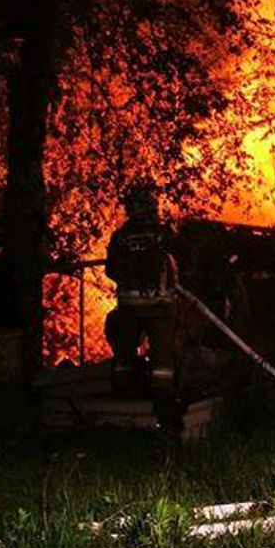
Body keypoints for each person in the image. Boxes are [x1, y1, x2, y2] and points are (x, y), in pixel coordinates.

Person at [104, 180, 180, 427]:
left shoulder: (121, 237)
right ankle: (164, 399)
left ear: (130, 208)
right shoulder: (164, 233)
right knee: (163, 356)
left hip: (129, 308)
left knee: (124, 352)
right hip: (161, 307)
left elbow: (111, 269)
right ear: (152, 206)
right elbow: (182, 259)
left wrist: (130, 283)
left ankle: (122, 397)